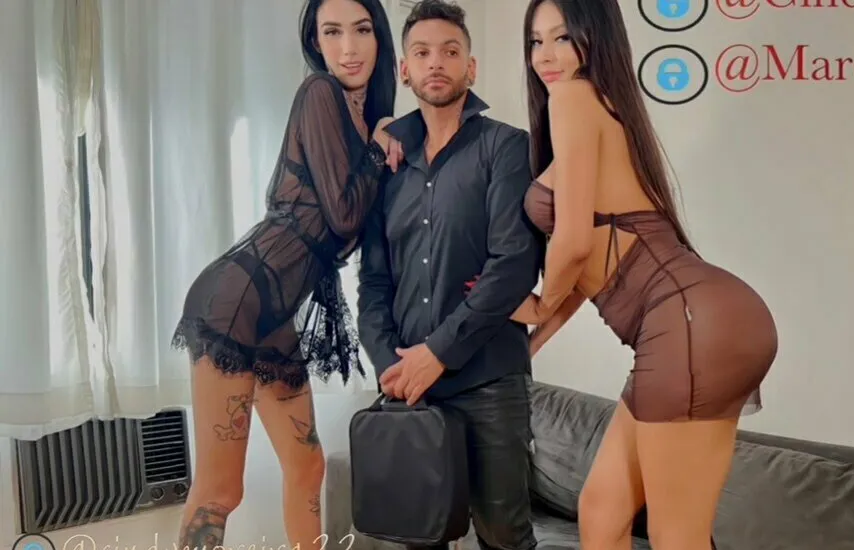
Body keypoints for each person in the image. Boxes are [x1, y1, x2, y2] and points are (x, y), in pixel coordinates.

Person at [511, 0, 780, 548]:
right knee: (601, 512)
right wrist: (531, 341)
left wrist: (537, 303)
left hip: (685, 322)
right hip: (706, 316)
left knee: (676, 535)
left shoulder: (574, 97)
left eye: (562, 37)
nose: (545, 56)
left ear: (595, 36)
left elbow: (573, 242)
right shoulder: (609, 110)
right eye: (536, 41)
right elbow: (589, 262)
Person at [169, 0, 397, 548]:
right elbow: (343, 214)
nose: (348, 47)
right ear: (316, 42)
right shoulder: (320, 93)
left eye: (362, 30)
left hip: (273, 314)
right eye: (332, 32)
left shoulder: (363, 124)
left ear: (379, 38)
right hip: (233, 301)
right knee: (221, 490)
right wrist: (378, 145)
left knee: (308, 467)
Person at [355, 1, 542, 549]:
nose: (436, 62)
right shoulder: (386, 164)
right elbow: (373, 282)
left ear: (470, 68)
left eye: (450, 51)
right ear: (405, 70)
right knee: (418, 536)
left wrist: (437, 353)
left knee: (505, 538)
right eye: (422, 52)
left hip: (489, 382)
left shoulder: (506, 148)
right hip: (409, 386)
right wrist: (390, 363)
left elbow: (513, 265)